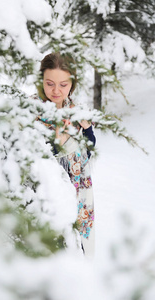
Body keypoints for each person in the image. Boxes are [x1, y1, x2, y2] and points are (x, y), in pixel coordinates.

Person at [35, 52, 96, 257]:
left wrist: (87, 130)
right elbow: (31, 159)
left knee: (77, 249)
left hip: (78, 188)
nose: (56, 91)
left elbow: (89, 148)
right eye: (50, 83)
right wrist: (58, 142)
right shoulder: (30, 110)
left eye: (63, 85)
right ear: (41, 80)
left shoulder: (75, 109)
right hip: (48, 195)